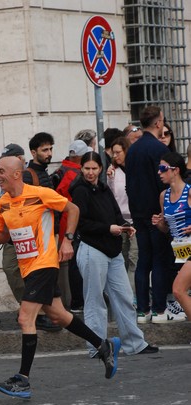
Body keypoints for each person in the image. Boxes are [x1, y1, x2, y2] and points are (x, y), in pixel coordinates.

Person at [0, 156, 121, 399]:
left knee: (25, 318)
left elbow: (73, 209)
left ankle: (23, 379)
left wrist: (67, 238)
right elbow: (5, 237)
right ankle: (102, 344)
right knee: (59, 314)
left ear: (16, 174)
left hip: (44, 264)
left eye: (1, 171)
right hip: (28, 268)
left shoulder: (40, 193)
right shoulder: (3, 203)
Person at [70, 152, 157, 357]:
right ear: (81, 169)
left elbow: (116, 213)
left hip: (112, 250)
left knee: (125, 297)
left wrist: (126, 226)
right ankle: (96, 347)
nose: (91, 172)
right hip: (92, 250)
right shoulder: (79, 191)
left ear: (100, 169)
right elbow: (82, 224)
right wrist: (108, 228)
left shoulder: (103, 188)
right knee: (95, 301)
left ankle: (135, 343)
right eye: (87, 168)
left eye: (94, 168)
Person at [125, 105, 175, 324]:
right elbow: (163, 184)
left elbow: (129, 184)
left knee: (144, 261)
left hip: (138, 212)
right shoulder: (158, 150)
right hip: (156, 213)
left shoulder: (133, 149)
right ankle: (159, 309)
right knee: (160, 260)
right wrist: (164, 211)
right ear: (158, 123)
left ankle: (142, 310)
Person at [22, 132, 61, 331]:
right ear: (33, 151)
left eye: (50, 149)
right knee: (41, 277)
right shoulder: (29, 175)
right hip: (37, 238)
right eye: (44, 150)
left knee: (51, 278)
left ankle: (56, 315)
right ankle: (41, 316)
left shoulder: (45, 173)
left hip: (49, 235)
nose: (49, 153)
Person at [54, 139, 92, 312]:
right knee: (77, 264)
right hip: (73, 224)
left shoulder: (61, 169)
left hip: (65, 223)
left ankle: (78, 301)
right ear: (80, 157)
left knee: (74, 263)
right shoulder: (75, 174)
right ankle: (78, 301)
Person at [152, 152, 191, 319]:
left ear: (175, 170)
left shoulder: (189, 192)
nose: (159, 173)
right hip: (180, 250)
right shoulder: (164, 196)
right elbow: (166, 230)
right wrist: (159, 223)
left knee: (178, 290)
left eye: (163, 168)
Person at [107, 136, 138, 294]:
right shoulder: (114, 172)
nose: (115, 156)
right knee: (122, 258)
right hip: (121, 221)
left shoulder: (135, 169)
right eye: (113, 153)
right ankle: (125, 293)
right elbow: (112, 196)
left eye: (118, 152)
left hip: (136, 219)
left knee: (134, 257)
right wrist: (110, 179)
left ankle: (133, 294)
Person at [0, 143, 27, 305]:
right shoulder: (6, 179)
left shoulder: (28, 175)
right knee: (11, 269)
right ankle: (28, 307)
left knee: (32, 272)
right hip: (10, 234)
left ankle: (37, 311)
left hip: (27, 233)